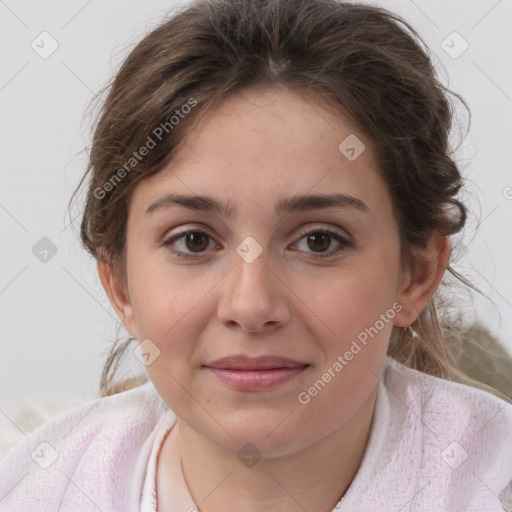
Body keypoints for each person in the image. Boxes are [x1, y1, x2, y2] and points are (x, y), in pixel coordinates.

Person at [1, 0, 511, 510]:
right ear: (119, 285)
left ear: (416, 275)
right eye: (193, 240)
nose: (250, 306)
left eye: (319, 240)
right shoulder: (36, 489)